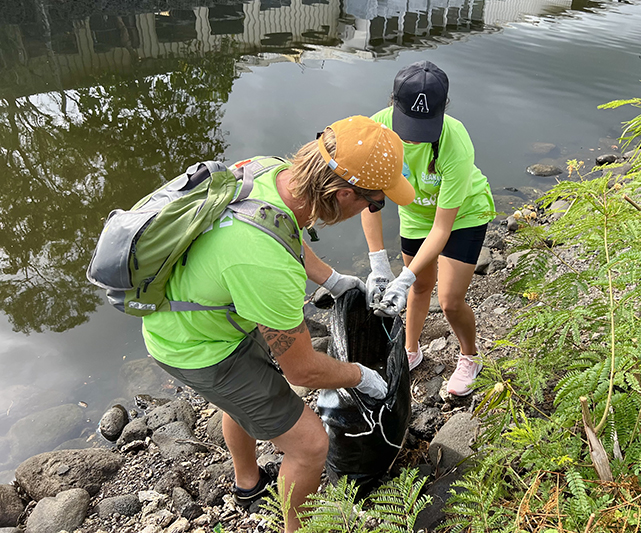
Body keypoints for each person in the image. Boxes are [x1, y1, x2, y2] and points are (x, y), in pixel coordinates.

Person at [140, 115, 415, 532]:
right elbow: (302, 369)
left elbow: (282, 233)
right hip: (197, 348)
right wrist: (360, 376)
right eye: (375, 203)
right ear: (343, 194)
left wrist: (334, 280)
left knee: (244, 399)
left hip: (205, 315)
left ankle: (248, 486)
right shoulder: (265, 265)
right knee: (309, 444)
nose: (375, 209)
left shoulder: (271, 171)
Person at [362, 61, 495, 396]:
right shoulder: (376, 130)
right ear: (393, 102)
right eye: (408, 123)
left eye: (423, 127)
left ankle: (470, 356)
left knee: (449, 301)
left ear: (443, 109)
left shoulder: (455, 143)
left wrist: (401, 278)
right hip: (415, 214)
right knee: (420, 287)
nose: (411, 136)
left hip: (463, 216)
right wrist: (378, 262)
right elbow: (370, 201)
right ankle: (411, 350)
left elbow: (442, 228)